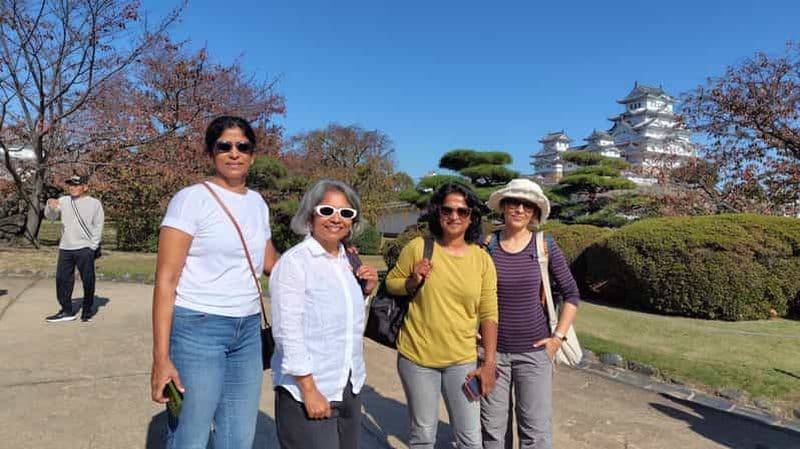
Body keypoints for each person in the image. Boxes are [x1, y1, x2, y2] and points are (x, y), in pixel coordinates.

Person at [150, 116, 279, 449]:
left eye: (242, 146)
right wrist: (161, 359)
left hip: (248, 330)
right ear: (211, 152)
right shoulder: (190, 199)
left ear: (252, 154)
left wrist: (330, 261)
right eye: (224, 146)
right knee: (190, 434)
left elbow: (270, 264)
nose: (234, 153)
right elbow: (166, 281)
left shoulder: (258, 203)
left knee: (238, 435)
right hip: (198, 328)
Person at [385, 182, 498, 449]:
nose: (454, 216)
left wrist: (489, 362)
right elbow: (392, 283)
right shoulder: (418, 247)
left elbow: (489, 312)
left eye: (463, 211)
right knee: (423, 436)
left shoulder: (481, 259)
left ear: (472, 216)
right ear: (437, 212)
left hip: (462, 360)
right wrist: (412, 281)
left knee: (470, 438)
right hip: (418, 358)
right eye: (447, 209)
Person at [269, 179, 379, 449]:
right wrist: (309, 390)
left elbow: (346, 321)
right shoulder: (295, 263)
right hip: (309, 389)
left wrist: (365, 292)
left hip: (347, 384)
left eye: (346, 213)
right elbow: (287, 332)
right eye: (327, 210)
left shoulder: (348, 261)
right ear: (310, 214)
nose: (336, 219)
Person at [480, 178, 580, 449]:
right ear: (503, 206)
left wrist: (557, 338)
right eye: (514, 202)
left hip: (534, 354)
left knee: (535, 432)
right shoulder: (486, 245)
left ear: (535, 212)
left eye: (527, 205)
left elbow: (572, 294)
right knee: (492, 430)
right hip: (491, 353)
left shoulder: (543, 245)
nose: (520, 209)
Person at [44, 174, 104, 323]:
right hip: (66, 247)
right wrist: (50, 206)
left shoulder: (94, 203)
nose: (73, 187)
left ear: (85, 187)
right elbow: (51, 217)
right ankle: (66, 310)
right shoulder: (63, 201)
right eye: (70, 184)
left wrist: (93, 246)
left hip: (85, 248)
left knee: (88, 280)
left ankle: (88, 309)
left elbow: (98, 225)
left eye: (76, 185)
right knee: (62, 279)